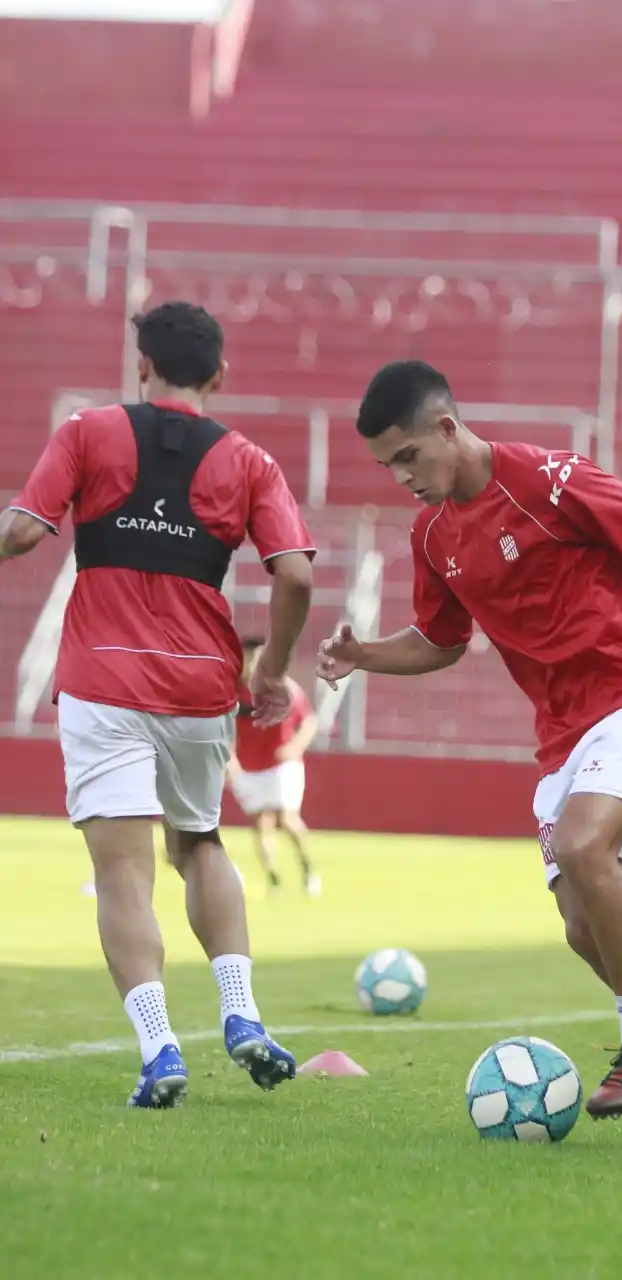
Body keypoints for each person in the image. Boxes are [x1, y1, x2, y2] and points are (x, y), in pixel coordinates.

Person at [317, 360, 622, 1158]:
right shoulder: (432, 534)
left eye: (407, 457)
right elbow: (441, 642)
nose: (402, 477)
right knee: (585, 930)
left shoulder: (546, 477)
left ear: (446, 429)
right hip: (563, 734)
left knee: (582, 845)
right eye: (387, 466)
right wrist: (363, 653)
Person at [0, 301, 315, 1108]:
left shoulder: (87, 431)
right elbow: (297, 574)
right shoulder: (249, 461)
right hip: (198, 685)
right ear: (219, 376)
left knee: (121, 872)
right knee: (201, 844)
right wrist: (272, 669)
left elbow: (25, 532)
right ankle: (241, 1016)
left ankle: (158, 1048)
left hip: (103, 681)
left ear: (142, 366)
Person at [228, 637, 322, 896]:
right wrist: (229, 759)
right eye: (247, 658)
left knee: (286, 818)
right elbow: (221, 728)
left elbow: (309, 721)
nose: (251, 663)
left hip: (282, 765)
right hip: (250, 767)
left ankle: (308, 870)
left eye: (257, 657)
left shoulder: (283, 688)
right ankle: (274, 879)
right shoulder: (232, 692)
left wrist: (295, 747)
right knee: (261, 823)